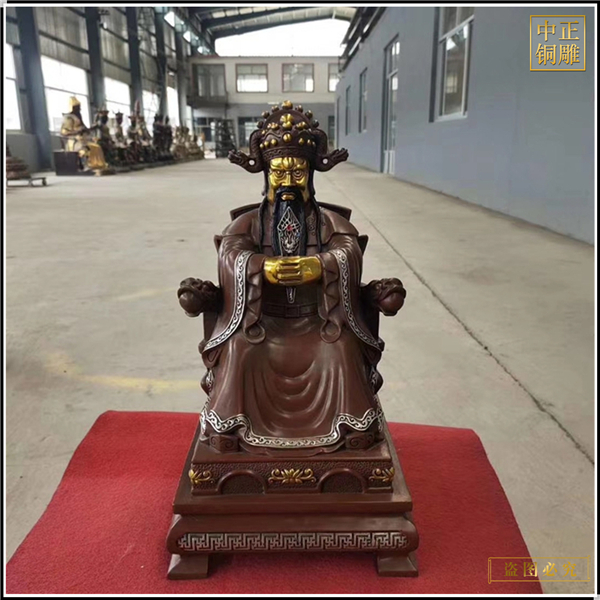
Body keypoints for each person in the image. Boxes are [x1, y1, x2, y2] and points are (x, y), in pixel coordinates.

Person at [178, 100, 406, 456]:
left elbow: (348, 249)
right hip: (261, 321)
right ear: (267, 176)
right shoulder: (246, 223)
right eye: (279, 174)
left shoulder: (330, 222)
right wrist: (260, 267)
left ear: (310, 176)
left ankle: (351, 430)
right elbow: (231, 253)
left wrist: (321, 266)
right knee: (240, 349)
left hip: (320, 320)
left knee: (341, 349)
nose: (288, 182)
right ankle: (232, 429)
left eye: (297, 174)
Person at [60, 96, 107, 171]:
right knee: (85, 148)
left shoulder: (78, 117)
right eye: (78, 107)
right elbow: (64, 132)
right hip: (73, 140)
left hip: (83, 139)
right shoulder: (68, 118)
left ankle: (96, 165)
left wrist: (92, 128)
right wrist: (78, 131)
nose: (80, 109)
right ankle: (85, 165)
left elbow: (85, 129)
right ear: (72, 107)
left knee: (96, 146)